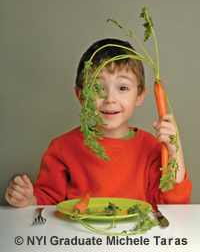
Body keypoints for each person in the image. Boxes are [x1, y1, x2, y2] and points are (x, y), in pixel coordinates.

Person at [5, 38, 192, 208]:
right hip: (78, 240)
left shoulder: (151, 148)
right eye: (97, 87)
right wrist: (28, 199)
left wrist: (176, 151)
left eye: (123, 88)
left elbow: (173, 206)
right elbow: (46, 199)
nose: (110, 98)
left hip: (134, 241)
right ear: (81, 96)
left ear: (140, 95)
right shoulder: (62, 148)